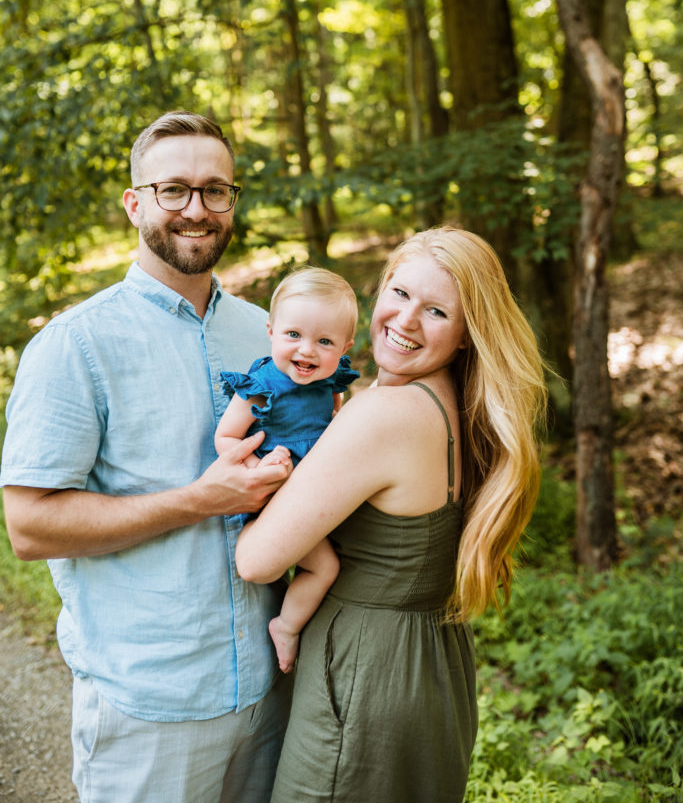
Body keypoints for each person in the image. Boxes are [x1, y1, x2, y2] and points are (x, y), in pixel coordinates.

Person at [0, 110, 294, 803]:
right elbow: (30, 528)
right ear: (136, 203)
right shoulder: (75, 345)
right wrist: (202, 499)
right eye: (174, 191)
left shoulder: (268, 335)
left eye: (215, 190)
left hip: (272, 689)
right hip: (148, 705)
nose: (197, 209)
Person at [235, 226, 547, 803]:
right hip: (433, 668)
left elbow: (257, 560)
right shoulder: (457, 406)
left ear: (464, 337)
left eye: (435, 310)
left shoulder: (383, 414)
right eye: (399, 294)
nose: (404, 321)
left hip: (365, 677)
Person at [216, 267, 360, 673]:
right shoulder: (262, 384)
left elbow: (333, 426)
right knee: (324, 566)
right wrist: (257, 466)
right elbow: (226, 438)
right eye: (293, 335)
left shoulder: (330, 383)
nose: (307, 351)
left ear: (345, 347)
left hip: (317, 488)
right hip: (279, 494)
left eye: (324, 341)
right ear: (271, 331)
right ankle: (287, 626)